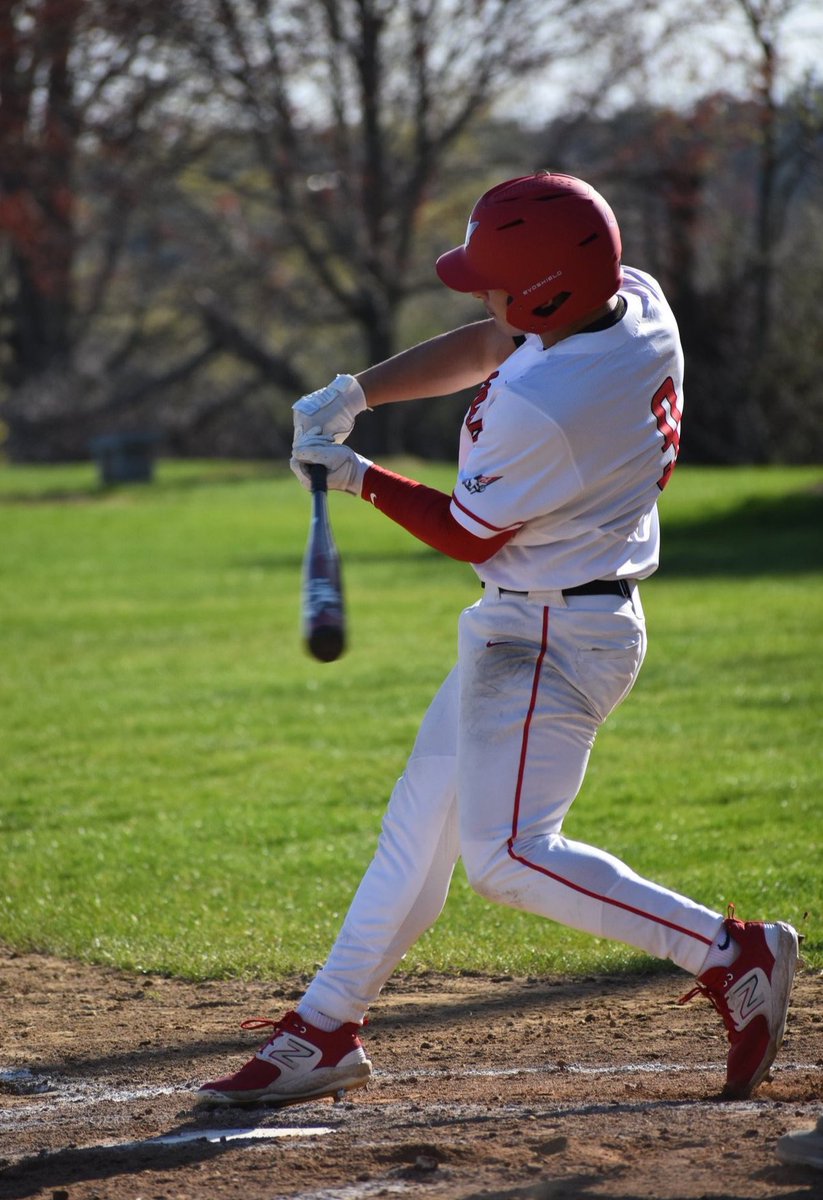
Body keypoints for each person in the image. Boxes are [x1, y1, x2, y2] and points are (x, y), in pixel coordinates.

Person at [198, 171, 799, 1107]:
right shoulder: (630, 299)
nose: (481, 293)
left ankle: (730, 953)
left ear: (547, 292)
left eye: (496, 280)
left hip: (556, 637)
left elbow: (468, 535)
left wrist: (353, 476)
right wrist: (358, 392)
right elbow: (492, 338)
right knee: (416, 830)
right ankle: (324, 1028)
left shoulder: (549, 406)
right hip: (538, 615)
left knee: (508, 856)